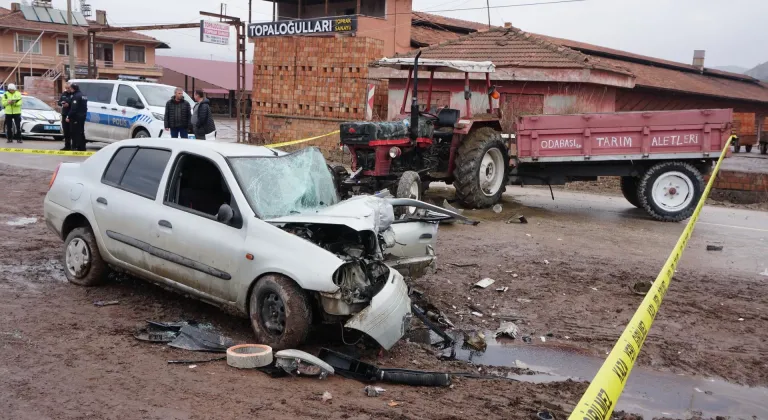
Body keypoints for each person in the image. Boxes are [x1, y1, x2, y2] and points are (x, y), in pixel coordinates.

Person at [66, 82, 88, 151]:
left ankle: (77, 147)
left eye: (71, 88)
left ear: (73, 89)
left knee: (75, 132)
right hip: (83, 116)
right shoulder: (84, 95)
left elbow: (74, 109)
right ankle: (82, 147)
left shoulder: (76, 96)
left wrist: (68, 116)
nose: (70, 90)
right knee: (81, 132)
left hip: (76, 117)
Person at [57, 83, 73, 150]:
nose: (67, 90)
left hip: (71, 115)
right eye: (66, 88)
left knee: (72, 131)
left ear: (71, 88)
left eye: (68, 88)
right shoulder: (64, 94)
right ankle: (67, 146)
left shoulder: (74, 95)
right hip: (64, 114)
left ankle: (74, 146)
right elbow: (59, 102)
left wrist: (68, 104)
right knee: (66, 131)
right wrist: (62, 104)